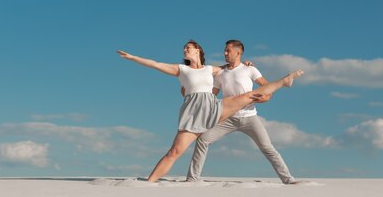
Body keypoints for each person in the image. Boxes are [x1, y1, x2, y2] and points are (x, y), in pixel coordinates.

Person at [117, 40, 304, 182]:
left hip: (230, 111)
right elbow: (155, 64)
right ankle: (163, 181)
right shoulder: (185, 69)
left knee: (251, 98)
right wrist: (133, 57)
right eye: (184, 48)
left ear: (198, 50)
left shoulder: (217, 69)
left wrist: (247, 66)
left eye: (188, 47)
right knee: (181, 149)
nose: (185, 50)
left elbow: (239, 74)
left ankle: (284, 81)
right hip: (204, 112)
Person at [185, 40, 296, 184]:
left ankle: (288, 179)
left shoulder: (250, 69)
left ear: (238, 53)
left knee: (267, 148)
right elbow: (211, 94)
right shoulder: (221, 73)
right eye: (224, 50)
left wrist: (265, 98)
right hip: (227, 117)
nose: (225, 53)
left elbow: (268, 87)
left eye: (228, 51)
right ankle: (192, 179)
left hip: (249, 118)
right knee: (203, 140)